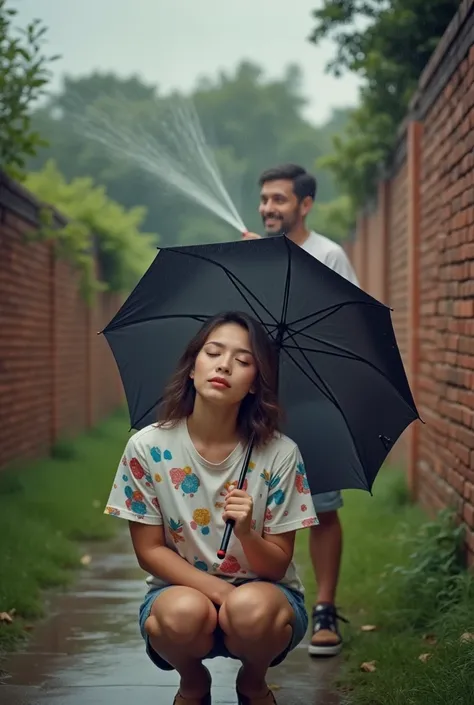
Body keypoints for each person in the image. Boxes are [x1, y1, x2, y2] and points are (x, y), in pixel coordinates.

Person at [104, 310, 318, 705]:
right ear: (192, 367)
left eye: (243, 360)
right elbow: (149, 551)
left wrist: (248, 532)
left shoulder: (281, 454)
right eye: (213, 352)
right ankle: (192, 682)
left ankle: (253, 683)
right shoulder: (148, 448)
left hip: (265, 599)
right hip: (179, 592)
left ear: (255, 384)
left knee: (251, 608)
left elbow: (276, 565)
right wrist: (222, 593)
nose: (224, 365)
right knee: (182, 613)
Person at [243, 163, 359, 657]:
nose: (269, 208)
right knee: (252, 508)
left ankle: (325, 610)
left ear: (305, 205)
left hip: (314, 401)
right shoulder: (250, 253)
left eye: (280, 200)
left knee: (322, 510)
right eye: (265, 198)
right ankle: (256, 603)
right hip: (259, 403)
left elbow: (348, 322)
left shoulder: (328, 254)